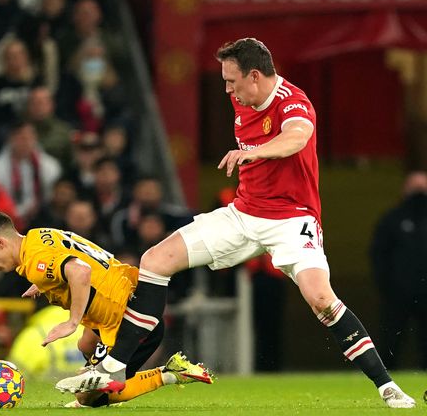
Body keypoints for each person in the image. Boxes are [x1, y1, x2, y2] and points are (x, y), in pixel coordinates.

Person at [58, 38, 415, 408]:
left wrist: (255, 152)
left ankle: (387, 387)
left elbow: (297, 137)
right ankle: (115, 367)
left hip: (292, 220)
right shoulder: (240, 96)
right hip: (243, 215)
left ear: (255, 76)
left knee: (322, 300)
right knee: (153, 261)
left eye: (232, 81)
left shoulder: (294, 101)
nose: (227, 90)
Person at [0, 210, 212, 408]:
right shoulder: (37, 237)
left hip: (127, 320)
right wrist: (43, 284)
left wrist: (71, 322)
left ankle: (171, 373)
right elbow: (72, 257)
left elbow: (79, 271)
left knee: (88, 398)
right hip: (126, 296)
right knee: (85, 345)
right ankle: (102, 379)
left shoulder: (35, 262)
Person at [370, 171, 427, 369]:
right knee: (391, 339)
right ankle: (386, 378)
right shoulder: (392, 220)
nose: (419, 194)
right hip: (398, 294)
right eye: (415, 188)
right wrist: (386, 285)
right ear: (404, 190)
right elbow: (378, 255)